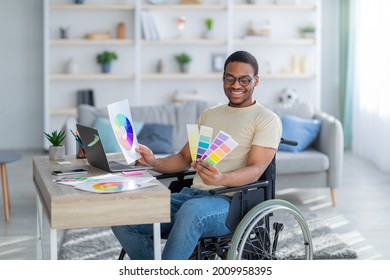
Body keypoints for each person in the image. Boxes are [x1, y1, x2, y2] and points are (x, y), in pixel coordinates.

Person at [111, 50, 282, 260]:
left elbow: (255, 170)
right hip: (190, 196)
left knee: (191, 211)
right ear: (223, 78)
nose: (236, 85)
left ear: (256, 80)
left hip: (231, 203)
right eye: (230, 78)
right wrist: (154, 161)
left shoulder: (266, 119)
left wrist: (221, 178)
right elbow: (183, 159)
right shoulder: (209, 115)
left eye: (244, 80)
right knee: (122, 216)